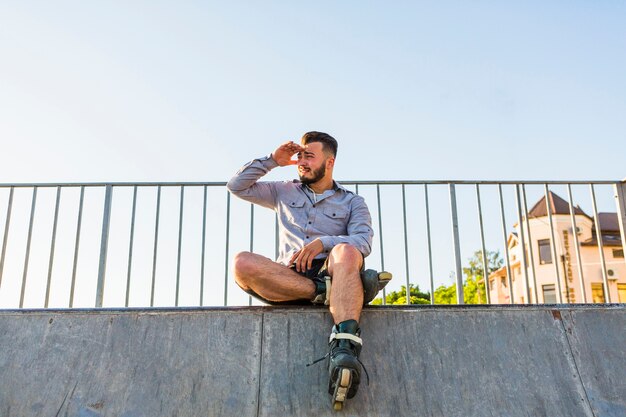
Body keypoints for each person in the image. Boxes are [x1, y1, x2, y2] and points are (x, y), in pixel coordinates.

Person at [226, 131, 391, 410]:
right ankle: (332, 292)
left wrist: (322, 243)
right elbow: (236, 186)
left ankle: (344, 349)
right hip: (286, 279)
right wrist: (273, 161)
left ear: (330, 163)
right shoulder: (283, 190)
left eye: (309, 156)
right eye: (299, 156)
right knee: (242, 262)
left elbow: (363, 241)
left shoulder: (352, 202)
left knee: (348, 251)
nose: (301, 161)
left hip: (333, 268)